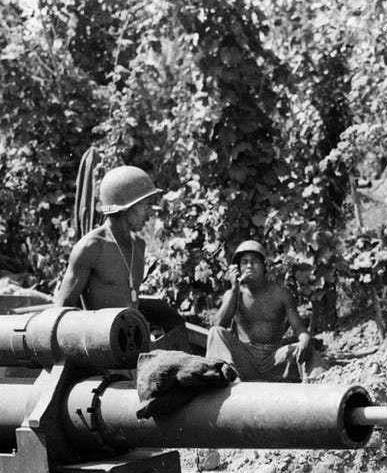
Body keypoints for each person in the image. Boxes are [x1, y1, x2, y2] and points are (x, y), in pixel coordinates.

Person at [54, 164, 188, 346]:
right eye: (147, 205)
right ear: (126, 207)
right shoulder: (92, 247)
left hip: (132, 344)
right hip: (99, 346)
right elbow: (61, 309)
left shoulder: (138, 245)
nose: (151, 213)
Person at [205, 240, 313, 382]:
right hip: (245, 361)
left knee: (308, 350)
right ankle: (223, 380)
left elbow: (299, 328)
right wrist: (234, 288)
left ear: (264, 266)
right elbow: (219, 325)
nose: (249, 266)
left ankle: (322, 385)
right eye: (244, 262)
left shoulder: (281, 294)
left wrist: (304, 340)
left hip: (274, 359)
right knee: (215, 332)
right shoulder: (233, 294)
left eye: (255, 261)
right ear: (237, 268)